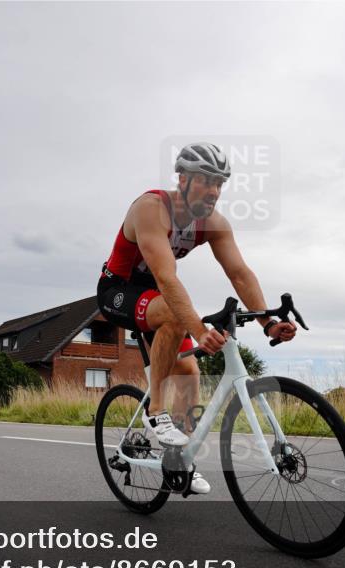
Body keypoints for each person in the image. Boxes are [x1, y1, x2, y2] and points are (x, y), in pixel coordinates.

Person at [97, 142, 297, 494]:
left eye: (220, 183)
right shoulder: (151, 209)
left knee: (189, 372)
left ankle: (178, 461)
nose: (214, 191)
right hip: (119, 289)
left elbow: (239, 273)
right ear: (183, 179)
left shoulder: (213, 223)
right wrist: (198, 329)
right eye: (206, 180)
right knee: (176, 314)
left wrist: (268, 322)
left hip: (157, 296)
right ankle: (155, 411)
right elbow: (166, 277)